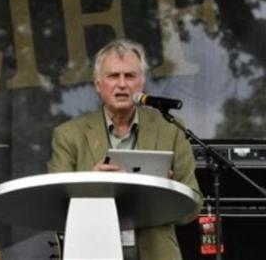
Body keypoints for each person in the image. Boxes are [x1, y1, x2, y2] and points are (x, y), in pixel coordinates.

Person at [46, 38, 202, 260]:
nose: (122, 84)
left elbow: (194, 205)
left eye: (130, 76)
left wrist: (166, 191)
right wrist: (90, 184)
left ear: (142, 82)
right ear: (97, 84)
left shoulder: (170, 130)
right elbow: (54, 208)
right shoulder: (68, 134)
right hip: (92, 252)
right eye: (113, 76)